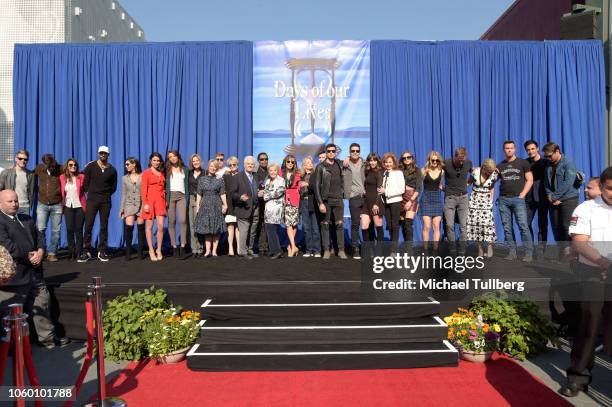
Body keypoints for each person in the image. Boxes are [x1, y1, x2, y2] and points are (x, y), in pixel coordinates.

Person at [559, 167, 612, 398]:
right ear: (601, 186)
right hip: (593, 276)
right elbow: (580, 243)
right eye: (610, 188)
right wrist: (605, 264)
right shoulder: (586, 209)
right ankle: (578, 377)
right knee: (588, 328)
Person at [0, 189, 68, 348]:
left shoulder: (27, 218)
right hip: (14, 280)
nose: (14, 204)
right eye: (9, 201)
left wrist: (41, 251)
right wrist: (31, 256)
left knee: (43, 307)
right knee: (11, 316)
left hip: (35, 275)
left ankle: (48, 340)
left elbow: (40, 237)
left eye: (15, 200)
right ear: (0, 203)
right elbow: (8, 247)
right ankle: (11, 347)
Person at [497, 140, 534, 262]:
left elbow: (530, 180)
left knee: (523, 226)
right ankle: (512, 252)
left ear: (515, 149)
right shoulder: (500, 166)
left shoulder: (522, 163)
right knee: (507, 227)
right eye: (507, 148)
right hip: (503, 199)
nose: (509, 150)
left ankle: (528, 253)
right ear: (504, 150)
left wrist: (522, 195)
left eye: (511, 148)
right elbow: (492, 181)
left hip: (518, 199)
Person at [543, 142, 580, 261]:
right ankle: (561, 255)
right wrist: (550, 195)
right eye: (546, 156)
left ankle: (571, 256)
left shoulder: (568, 163)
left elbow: (568, 183)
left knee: (567, 227)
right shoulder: (549, 165)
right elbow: (546, 182)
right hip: (554, 200)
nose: (548, 158)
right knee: (556, 227)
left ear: (557, 151)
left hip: (568, 199)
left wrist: (556, 197)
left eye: (549, 156)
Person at [81, 146, 118, 262]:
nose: (103, 155)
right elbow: (85, 182)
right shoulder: (91, 166)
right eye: (101, 153)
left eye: (105, 153)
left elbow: (113, 187)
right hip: (92, 200)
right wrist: (92, 192)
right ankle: (86, 250)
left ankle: (102, 251)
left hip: (105, 201)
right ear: (98, 154)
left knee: (104, 226)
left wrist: (105, 194)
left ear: (108, 155)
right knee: (88, 225)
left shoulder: (112, 170)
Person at [314, 143, 347, 259]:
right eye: (329, 151)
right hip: (326, 200)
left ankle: (341, 250)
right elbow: (316, 186)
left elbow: (353, 162)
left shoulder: (340, 164)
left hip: (338, 199)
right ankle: (326, 250)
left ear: (336, 152)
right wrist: (320, 203)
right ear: (326, 152)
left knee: (339, 225)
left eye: (333, 151)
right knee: (325, 225)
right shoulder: (320, 167)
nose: (331, 153)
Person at [194, 160, 228, 257]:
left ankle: (214, 251)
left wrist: (225, 205)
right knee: (207, 229)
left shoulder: (220, 179)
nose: (213, 168)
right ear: (208, 167)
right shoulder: (202, 179)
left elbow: (222, 193)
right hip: (205, 205)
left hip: (216, 204)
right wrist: (197, 206)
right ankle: (208, 251)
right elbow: (199, 194)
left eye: (215, 167)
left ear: (217, 168)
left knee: (216, 229)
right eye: (211, 166)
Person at [466, 159, 499, 258]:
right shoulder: (475, 172)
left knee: (488, 225)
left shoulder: (494, 174)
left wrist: (491, 201)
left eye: (491, 172)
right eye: (488, 171)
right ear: (483, 167)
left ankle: (489, 247)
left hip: (486, 202)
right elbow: (468, 183)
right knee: (477, 226)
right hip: (474, 202)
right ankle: (480, 249)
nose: (489, 173)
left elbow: (492, 186)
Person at [229, 156, 260, 259]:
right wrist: (240, 197)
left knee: (252, 232)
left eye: (252, 164)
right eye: (248, 164)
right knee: (244, 231)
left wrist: (260, 193)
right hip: (243, 208)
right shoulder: (238, 177)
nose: (250, 165)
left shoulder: (256, 176)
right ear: (244, 164)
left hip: (255, 208)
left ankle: (250, 250)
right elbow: (232, 193)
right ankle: (242, 251)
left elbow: (258, 188)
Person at [443, 147, 472, 252]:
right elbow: (436, 173)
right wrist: (442, 188)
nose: (461, 162)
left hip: (463, 198)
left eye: (462, 160)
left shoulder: (468, 163)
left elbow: (473, 174)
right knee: (449, 225)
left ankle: (462, 250)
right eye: (459, 160)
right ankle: (452, 249)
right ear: (455, 156)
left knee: (463, 225)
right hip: (450, 198)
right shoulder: (446, 163)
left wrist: (467, 184)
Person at [34, 154, 62, 262]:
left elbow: (71, 169)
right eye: (49, 165)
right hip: (42, 204)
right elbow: (29, 174)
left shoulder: (59, 168)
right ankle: (41, 252)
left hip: (57, 204)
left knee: (56, 231)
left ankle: (52, 253)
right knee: (40, 229)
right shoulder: (40, 168)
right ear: (45, 164)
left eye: (52, 165)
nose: (51, 168)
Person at [524, 140, 549, 257]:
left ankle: (541, 251)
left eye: (533, 149)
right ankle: (530, 249)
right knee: (526, 224)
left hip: (543, 198)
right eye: (528, 150)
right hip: (528, 199)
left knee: (542, 225)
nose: (530, 151)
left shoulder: (546, 162)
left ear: (537, 148)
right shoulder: (524, 163)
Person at [59, 158, 87, 262]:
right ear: (67, 166)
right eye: (70, 165)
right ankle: (71, 252)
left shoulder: (81, 177)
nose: (73, 166)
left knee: (79, 230)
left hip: (80, 206)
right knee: (69, 229)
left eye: (75, 165)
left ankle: (79, 252)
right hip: (67, 206)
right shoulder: (62, 177)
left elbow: (87, 184)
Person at [141, 153, 166, 262]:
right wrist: (145, 203)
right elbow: (143, 190)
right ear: (151, 161)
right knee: (149, 227)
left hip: (160, 200)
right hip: (150, 200)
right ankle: (151, 250)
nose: (156, 162)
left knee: (160, 226)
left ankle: (159, 249)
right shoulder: (146, 173)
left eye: (158, 160)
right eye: (154, 160)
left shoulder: (162, 173)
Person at [343, 143, 366, 259]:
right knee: (355, 224)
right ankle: (355, 248)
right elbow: (332, 160)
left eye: (357, 151)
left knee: (367, 224)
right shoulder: (345, 164)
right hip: (354, 197)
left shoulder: (365, 163)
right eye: (353, 151)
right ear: (349, 152)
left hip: (366, 197)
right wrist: (346, 159)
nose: (355, 153)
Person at [165, 150, 189, 258]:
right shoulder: (166, 169)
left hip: (182, 196)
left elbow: (187, 184)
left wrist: (187, 197)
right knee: (172, 221)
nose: (173, 158)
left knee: (183, 220)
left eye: (174, 156)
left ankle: (183, 246)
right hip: (170, 196)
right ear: (169, 159)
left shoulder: (185, 169)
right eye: (170, 157)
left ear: (178, 156)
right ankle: (174, 246)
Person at [380, 153, 405, 254]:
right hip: (385, 202)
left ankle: (394, 250)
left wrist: (386, 192)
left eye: (390, 162)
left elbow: (401, 189)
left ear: (394, 162)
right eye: (386, 162)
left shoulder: (398, 173)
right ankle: (392, 246)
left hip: (395, 202)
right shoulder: (384, 173)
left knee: (395, 225)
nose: (388, 164)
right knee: (389, 225)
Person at [119, 157, 144, 261]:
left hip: (141, 203)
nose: (126, 166)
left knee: (140, 228)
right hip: (129, 204)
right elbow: (124, 194)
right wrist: (122, 209)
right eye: (125, 165)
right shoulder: (124, 178)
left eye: (128, 164)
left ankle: (140, 252)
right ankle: (128, 252)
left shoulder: (143, 176)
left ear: (134, 164)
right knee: (129, 228)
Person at [261, 163, 285, 259]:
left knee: (272, 230)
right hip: (268, 209)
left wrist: (266, 195)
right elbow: (265, 192)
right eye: (270, 170)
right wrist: (264, 194)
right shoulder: (267, 181)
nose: (272, 172)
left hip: (276, 208)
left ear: (277, 171)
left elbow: (279, 192)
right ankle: (273, 250)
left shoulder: (281, 180)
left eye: (274, 170)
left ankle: (277, 251)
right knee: (269, 230)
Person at [0, 149, 35, 216]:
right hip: (10, 206)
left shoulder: (30, 174)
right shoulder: (6, 173)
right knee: (10, 226)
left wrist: (29, 204)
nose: (23, 161)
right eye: (20, 158)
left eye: (25, 159)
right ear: (16, 159)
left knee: (24, 226)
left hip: (25, 207)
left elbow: (30, 191)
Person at [420, 151, 444, 244]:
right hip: (426, 198)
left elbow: (440, 185)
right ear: (429, 160)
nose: (435, 162)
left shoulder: (442, 171)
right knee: (426, 226)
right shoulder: (423, 171)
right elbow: (418, 185)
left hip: (437, 199)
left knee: (436, 226)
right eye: (433, 160)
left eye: (437, 160)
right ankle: (425, 251)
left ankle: (435, 251)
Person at [299, 156, 321, 257]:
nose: (309, 164)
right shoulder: (300, 176)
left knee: (315, 228)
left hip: (314, 202)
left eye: (311, 162)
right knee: (307, 228)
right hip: (303, 202)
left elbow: (319, 187)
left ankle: (317, 250)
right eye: (307, 162)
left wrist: (307, 184)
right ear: (304, 165)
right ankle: (308, 250)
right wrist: (299, 185)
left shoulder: (316, 174)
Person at [361, 153, 384, 246]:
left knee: (378, 226)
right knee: (364, 226)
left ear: (377, 161)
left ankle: (380, 251)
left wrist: (376, 204)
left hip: (376, 203)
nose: (372, 162)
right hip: (366, 203)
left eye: (374, 160)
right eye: (370, 160)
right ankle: (367, 250)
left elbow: (379, 189)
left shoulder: (379, 172)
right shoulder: (367, 171)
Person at [399, 150, 421, 243]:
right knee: (403, 224)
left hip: (411, 197)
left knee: (408, 224)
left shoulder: (417, 170)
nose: (407, 159)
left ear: (412, 158)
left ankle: (409, 251)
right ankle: (406, 247)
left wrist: (411, 201)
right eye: (404, 158)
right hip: (400, 197)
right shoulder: (399, 170)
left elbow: (419, 188)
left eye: (409, 157)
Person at [281, 155, 300, 257]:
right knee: (288, 224)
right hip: (284, 201)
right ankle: (294, 246)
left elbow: (298, 187)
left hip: (294, 200)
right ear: (285, 162)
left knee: (294, 224)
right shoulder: (280, 172)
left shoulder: (297, 174)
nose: (290, 164)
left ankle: (290, 246)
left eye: (293, 162)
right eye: (288, 161)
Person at [223, 156, 240, 256]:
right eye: (230, 165)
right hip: (229, 204)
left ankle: (238, 248)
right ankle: (230, 248)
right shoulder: (225, 177)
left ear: (237, 165)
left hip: (239, 205)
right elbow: (223, 192)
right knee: (230, 226)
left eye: (234, 164)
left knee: (238, 227)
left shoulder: (242, 176)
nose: (232, 166)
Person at [187, 154, 204, 258]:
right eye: (194, 161)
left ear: (200, 161)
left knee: (200, 225)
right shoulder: (188, 173)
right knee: (192, 225)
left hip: (202, 200)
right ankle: (194, 249)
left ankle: (201, 248)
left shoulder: (205, 173)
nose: (196, 162)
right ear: (191, 163)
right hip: (191, 200)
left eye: (197, 160)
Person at [255, 152, 269, 255]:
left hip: (269, 203)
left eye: (266, 159)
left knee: (269, 225)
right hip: (259, 203)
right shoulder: (255, 173)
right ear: (258, 161)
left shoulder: (271, 171)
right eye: (262, 159)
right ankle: (260, 247)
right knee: (259, 224)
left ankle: (267, 247)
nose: (264, 161)